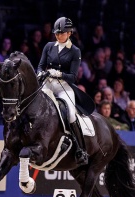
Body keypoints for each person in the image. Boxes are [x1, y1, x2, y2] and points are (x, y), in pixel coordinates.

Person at [37, 17, 94, 165]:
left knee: (70, 113)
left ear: (69, 33)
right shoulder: (49, 46)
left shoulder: (75, 51)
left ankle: (80, 149)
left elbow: (73, 77)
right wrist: (39, 74)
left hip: (63, 85)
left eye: (61, 33)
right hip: (47, 83)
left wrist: (59, 74)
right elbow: (40, 65)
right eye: (56, 33)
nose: (58, 35)